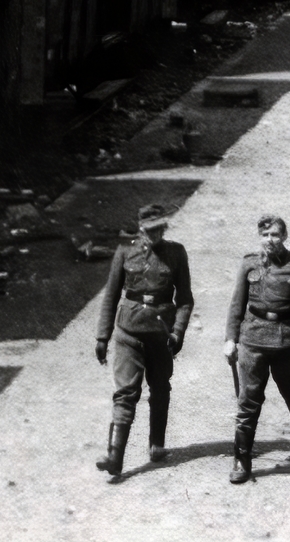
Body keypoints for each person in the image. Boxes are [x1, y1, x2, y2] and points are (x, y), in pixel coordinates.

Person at [93, 203, 193, 478]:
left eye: (161, 228)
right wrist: (103, 336)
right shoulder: (125, 251)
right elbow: (111, 296)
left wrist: (178, 332)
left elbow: (184, 299)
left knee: (160, 387)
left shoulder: (176, 253)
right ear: (141, 229)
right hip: (129, 330)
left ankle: (157, 444)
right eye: (151, 230)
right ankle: (115, 456)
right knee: (125, 392)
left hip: (161, 335)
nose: (157, 234)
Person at [222, 214, 290, 484]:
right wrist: (231, 338)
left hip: (286, 341)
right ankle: (241, 460)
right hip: (253, 339)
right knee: (248, 402)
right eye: (265, 235)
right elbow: (236, 304)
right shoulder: (249, 263)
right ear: (259, 237)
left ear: (284, 237)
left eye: (275, 235)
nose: (270, 240)